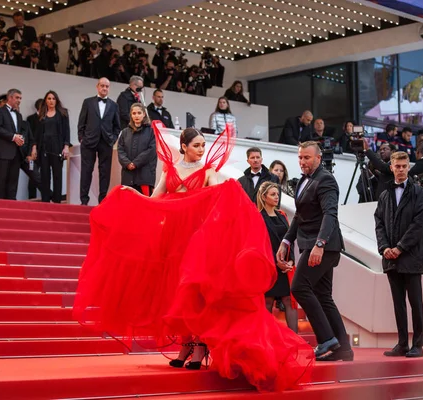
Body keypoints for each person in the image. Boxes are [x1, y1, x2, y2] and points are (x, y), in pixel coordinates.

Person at [74, 122, 314, 391]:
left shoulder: (208, 170)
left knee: (197, 294)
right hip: (174, 240)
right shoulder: (171, 170)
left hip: (198, 240)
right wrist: (133, 195)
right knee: (178, 295)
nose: (201, 150)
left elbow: (216, 194)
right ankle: (185, 347)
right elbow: (156, 198)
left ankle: (199, 348)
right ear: (184, 147)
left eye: (203, 145)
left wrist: (229, 189)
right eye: (197, 145)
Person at [277, 141, 353, 362]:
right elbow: (300, 217)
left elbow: (330, 214)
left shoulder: (325, 179)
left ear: (318, 158)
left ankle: (327, 339)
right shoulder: (302, 180)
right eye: (300, 157)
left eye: (307, 158)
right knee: (323, 296)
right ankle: (344, 349)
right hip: (311, 244)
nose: (302, 162)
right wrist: (287, 240)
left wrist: (319, 244)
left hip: (324, 246)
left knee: (299, 287)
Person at [374, 151, 423, 358]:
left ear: (408, 167)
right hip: (390, 257)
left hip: (411, 256)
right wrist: (384, 247)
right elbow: (379, 222)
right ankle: (402, 343)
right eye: (397, 166)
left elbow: (419, 225)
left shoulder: (420, 193)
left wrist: (400, 247)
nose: (400, 170)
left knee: (415, 302)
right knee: (398, 304)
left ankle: (418, 344)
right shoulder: (385, 194)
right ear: (391, 167)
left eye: (404, 166)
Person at [257, 181, 298, 333]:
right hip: (268, 266)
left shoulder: (282, 215)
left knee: (289, 300)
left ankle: (295, 340)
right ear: (263, 197)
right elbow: (259, 244)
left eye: (277, 194)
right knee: (268, 301)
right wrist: (275, 263)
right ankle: (265, 339)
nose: (276, 197)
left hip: (285, 267)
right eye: (273, 194)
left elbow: (290, 240)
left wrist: (291, 260)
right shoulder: (258, 217)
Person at [78, 78, 121, 205]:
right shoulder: (88, 102)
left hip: (106, 142)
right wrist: (82, 138)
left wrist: (113, 139)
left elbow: (117, 126)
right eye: (102, 86)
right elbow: (82, 122)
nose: (104, 88)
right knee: (86, 171)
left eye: (107, 86)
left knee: (105, 172)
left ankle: (102, 200)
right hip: (89, 142)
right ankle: (84, 200)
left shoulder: (114, 105)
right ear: (97, 86)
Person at [0, 88, 29, 200]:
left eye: (20, 98)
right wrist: (13, 137)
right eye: (17, 97)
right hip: (3, 152)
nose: (19, 100)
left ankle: (12, 208)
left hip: (16, 153)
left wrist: (21, 137)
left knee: (13, 182)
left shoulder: (18, 115)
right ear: (10, 97)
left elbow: (20, 131)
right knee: (1, 181)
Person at [36, 91, 71, 203]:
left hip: (57, 148)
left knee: (57, 175)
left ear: (56, 100)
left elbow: (67, 131)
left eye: (53, 98)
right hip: (44, 148)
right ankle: (45, 201)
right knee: (45, 176)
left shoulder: (63, 113)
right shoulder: (42, 114)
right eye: (49, 98)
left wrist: (66, 147)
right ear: (45, 100)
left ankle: (57, 201)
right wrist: (35, 148)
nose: (51, 101)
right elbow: (38, 133)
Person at [117, 103, 157, 196]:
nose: (136, 115)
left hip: (145, 175)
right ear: (131, 115)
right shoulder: (124, 132)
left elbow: (151, 150)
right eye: (134, 113)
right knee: (128, 205)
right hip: (128, 175)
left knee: (144, 205)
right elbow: (120, 150)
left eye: (139, 113)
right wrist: (127, 163)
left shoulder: (151, 131)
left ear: (144, 114)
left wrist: (135, 163)